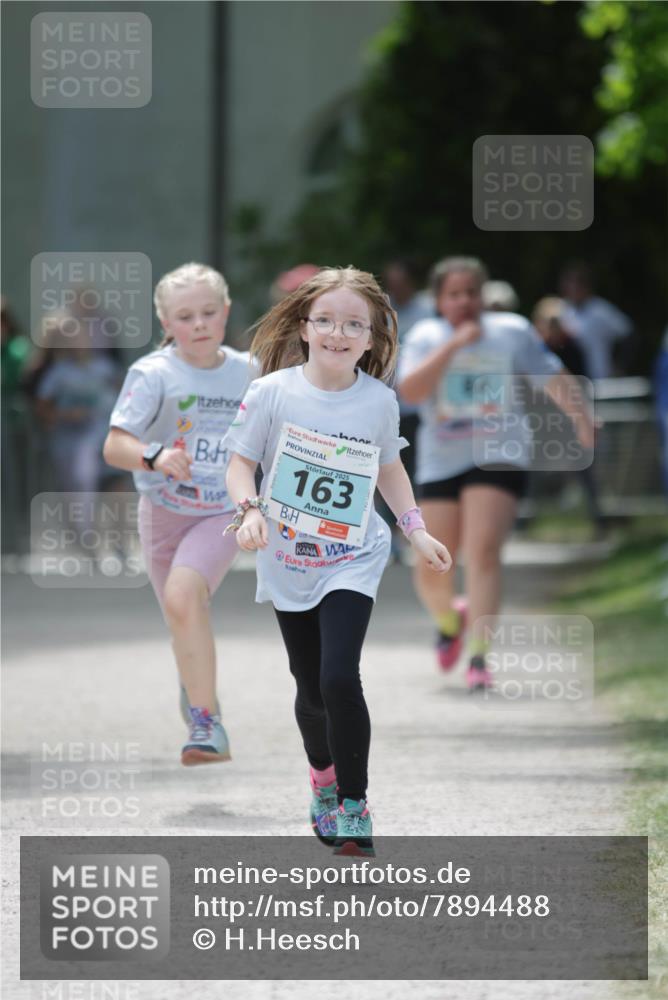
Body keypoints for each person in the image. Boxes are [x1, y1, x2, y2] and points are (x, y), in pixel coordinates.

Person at [223, 266, 451, 857]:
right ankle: (321, 778)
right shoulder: (271, 393)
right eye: (325, 320)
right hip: (288, 558)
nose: (338, 333)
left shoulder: (378, 400)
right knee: (309, 686)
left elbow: (389, 468)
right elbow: (240, 464)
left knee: (338, 676)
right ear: (304, 327)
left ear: (372, 339)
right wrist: (250, 511)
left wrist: (415, 530)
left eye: (354, 324)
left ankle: (354, 804)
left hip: (353, 555)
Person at [397, 257, 595, 689]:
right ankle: (450, 622)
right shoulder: (425, 336)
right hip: (442, 458)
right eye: (454, 294)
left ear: (483, 295)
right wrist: (453, 346)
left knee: (483, 551)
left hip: (501, 450)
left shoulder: (511, 330)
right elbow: (409, 393)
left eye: (472, 292)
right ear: (439, 300)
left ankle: (480, 658)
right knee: (431, 563)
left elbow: (550, 375)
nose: (465, 301)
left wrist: (581, 416)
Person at [103, 263, 255, 766]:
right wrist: (156, 455)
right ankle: (197, 688)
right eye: (185, 316)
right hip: (164, 510)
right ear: (165, 323)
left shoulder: (250, 371)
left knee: (183, 594)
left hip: (222, 509)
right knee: (181, 613)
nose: (199, 324)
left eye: (209, 312)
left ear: (226, 312)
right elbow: (115, 444)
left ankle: (207, 725)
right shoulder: (153, 373)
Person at [559, 261, 632, 380]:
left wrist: (620, 366)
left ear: (586, 286)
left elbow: (629, 335)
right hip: (574, 382)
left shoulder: (601, 310)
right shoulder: (563, 310)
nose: (571, 289)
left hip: (600, 379)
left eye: (576, 285)